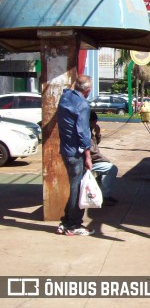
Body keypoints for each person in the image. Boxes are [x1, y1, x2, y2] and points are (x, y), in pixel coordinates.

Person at [56, 74, 95, 236]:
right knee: (77, 189)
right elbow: (83, 133)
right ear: (88, 91)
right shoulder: (83, 105)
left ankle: (66, 222)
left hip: (65, 150)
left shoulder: (65, 97)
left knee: (74, 186)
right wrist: (88, 156)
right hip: (76, 153)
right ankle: (73, 225)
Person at [89, 111, 119, 206]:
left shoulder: (90, 131)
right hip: (88, 162)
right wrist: (105, 160)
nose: (96, 124)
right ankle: (104, 196)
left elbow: (95, 144)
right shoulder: (85, 132)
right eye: (95, 121)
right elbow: (93, 153)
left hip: (93, 160)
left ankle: (103, 194)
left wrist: (97, 133)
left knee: (108, 167)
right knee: (111, 169)